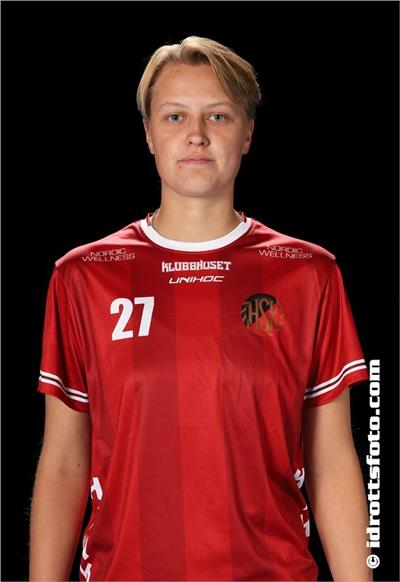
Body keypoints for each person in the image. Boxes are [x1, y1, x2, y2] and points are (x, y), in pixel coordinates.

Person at [29, 36, 373, 582]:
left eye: (218, 115)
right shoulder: (84, 276)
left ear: (247, 133)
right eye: (174, 116)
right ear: (148, 133)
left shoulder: (308, 273)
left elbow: (332, 458)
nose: (196, 134)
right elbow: (65, 463)